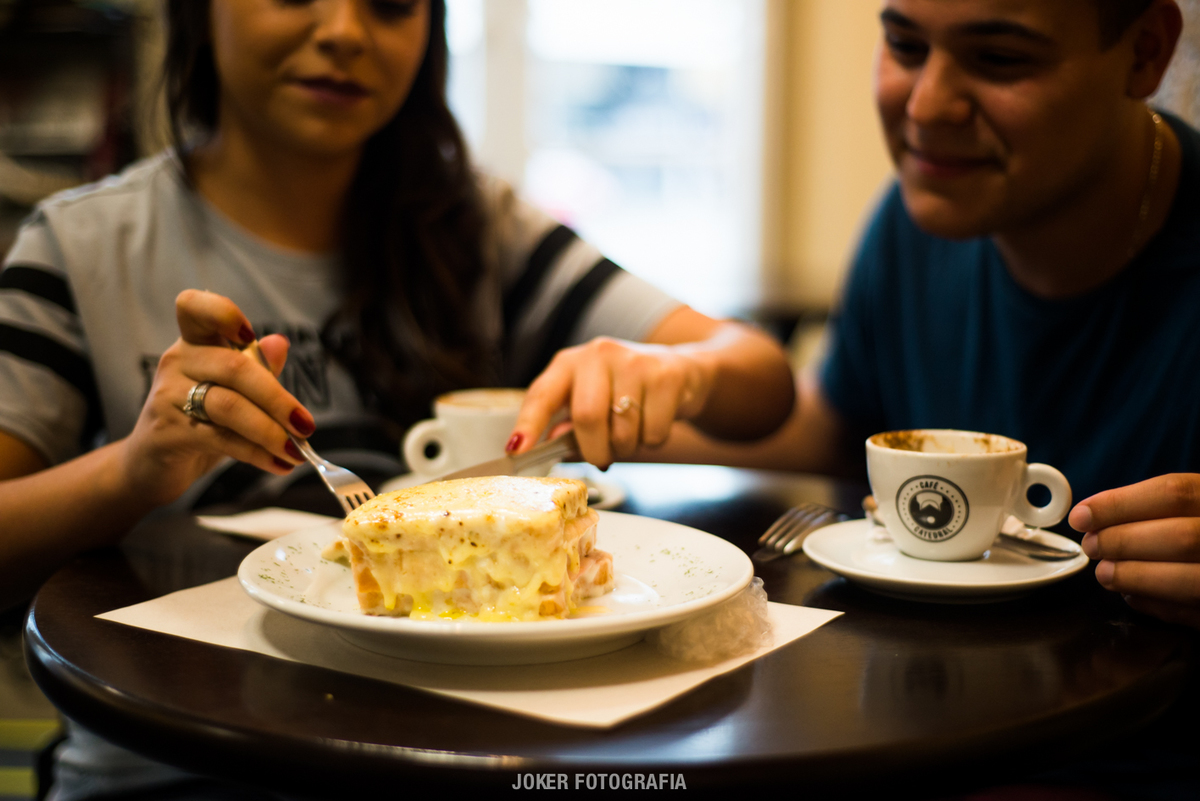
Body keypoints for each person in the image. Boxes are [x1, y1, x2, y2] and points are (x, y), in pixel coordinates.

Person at [0, 0, 795, 617]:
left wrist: (674, 370)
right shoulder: (82, 244)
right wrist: (130, 473)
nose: (345, 31)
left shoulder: (479, 230)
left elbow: (761, 377)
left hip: (460, 728)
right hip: (170, 740)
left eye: (390, 4)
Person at [659, 0, 1200, 631]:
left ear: (1145, 52)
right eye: (906, 46)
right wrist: (607, 413)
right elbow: (833, 429)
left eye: (998, 58)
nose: (926, 106)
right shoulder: (918, 217)